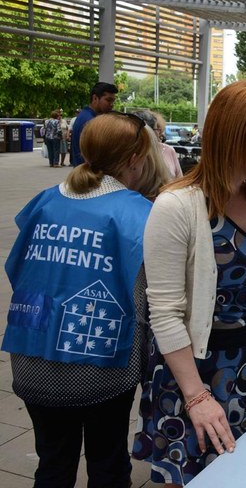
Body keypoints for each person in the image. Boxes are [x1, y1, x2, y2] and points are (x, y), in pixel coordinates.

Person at [132, 82, 246, 486]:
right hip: (190, 370)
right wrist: (196, 397)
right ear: (233, 135)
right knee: (190, 475)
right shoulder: (176, 206)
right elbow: (166, 313)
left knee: (241, 472)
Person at [3, 112, 154, 488]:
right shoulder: (139, 212)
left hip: (31, 360)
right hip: (102, 368)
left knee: (52, 465)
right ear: (135, 158)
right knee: (108, 466)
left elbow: (17, 268)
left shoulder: (44, 201)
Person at [70, 82, 118, 167]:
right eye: (108, 100)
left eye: (113, 101)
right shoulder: (91, 121)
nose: (111, 105)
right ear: (95, 98)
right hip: (89, 174)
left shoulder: (84, 115)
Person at [148, 111, 184, 179]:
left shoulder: (169, 150)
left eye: (159, 130)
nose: (159, 134)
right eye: (156, 130)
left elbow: (179, 178)